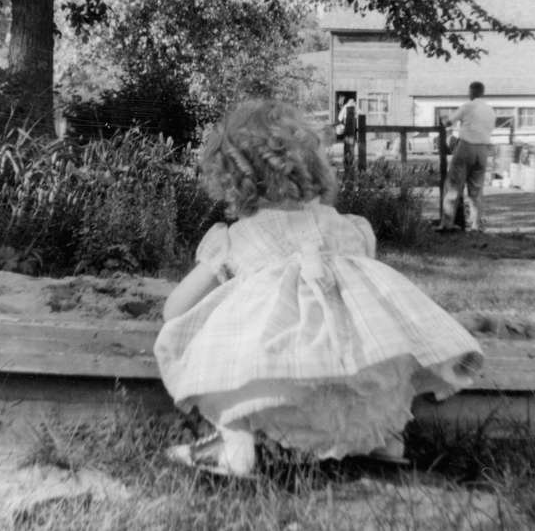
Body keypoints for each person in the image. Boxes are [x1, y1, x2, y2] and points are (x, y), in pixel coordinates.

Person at [154, 99, 483, 477]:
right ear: (312, 165)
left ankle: (236, 445)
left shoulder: (235, 240)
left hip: (274, 382)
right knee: (375, 338)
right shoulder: (350, 229)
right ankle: (386, 439)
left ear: (231, 178)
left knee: (218, 345)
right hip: (356, 379)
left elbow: (175, 310)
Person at [437, 82, 496, 232]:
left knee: (453, 186)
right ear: (483, 93)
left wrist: (442, 118)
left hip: (466, 146)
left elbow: (447, 123)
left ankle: (446, 224)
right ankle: (476, 226)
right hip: (483, 150)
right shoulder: (490, 110)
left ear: (471, 92)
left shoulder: (468, 106)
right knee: (476, 190)